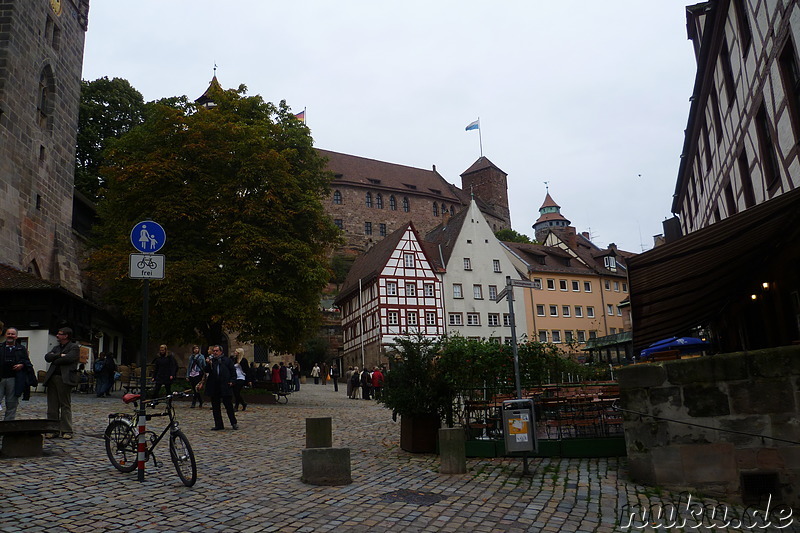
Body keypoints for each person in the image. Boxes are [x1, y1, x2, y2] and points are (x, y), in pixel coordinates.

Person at [43, 327, 80, 439]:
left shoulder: (74, 347)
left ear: (66, 336)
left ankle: (66, 430)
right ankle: (52, 429)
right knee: (52, 405)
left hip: (64, 378)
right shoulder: (56, 347)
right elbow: (48, 357)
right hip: (52, 377)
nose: (57, 336)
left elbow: (68, 359)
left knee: (65, 405)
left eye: (60, 334)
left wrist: (56, 358)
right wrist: (59, 356)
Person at [0, 327, 35, 420]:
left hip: (14, 379)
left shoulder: (21, 349)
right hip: (0, 378)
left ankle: (7, 427)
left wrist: (22, 365)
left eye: (12, 334)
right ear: (5, 335)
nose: (10, 336)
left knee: (11, 404)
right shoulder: (0, 347)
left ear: (16, 336)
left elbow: (28, 363)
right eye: (8, 334)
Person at [203, 345, 238, 430]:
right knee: (215, 407)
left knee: (228, 405)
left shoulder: (227, 360)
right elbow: (206, 370)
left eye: (217, 351)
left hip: (225, 385)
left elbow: (233, 371)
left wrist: (232, 381)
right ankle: (219, 424)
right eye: (214, 351)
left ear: (221, 352)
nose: (215, 352)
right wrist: (208, 364)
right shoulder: (212, 361)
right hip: (214, 386)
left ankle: (233, 422)